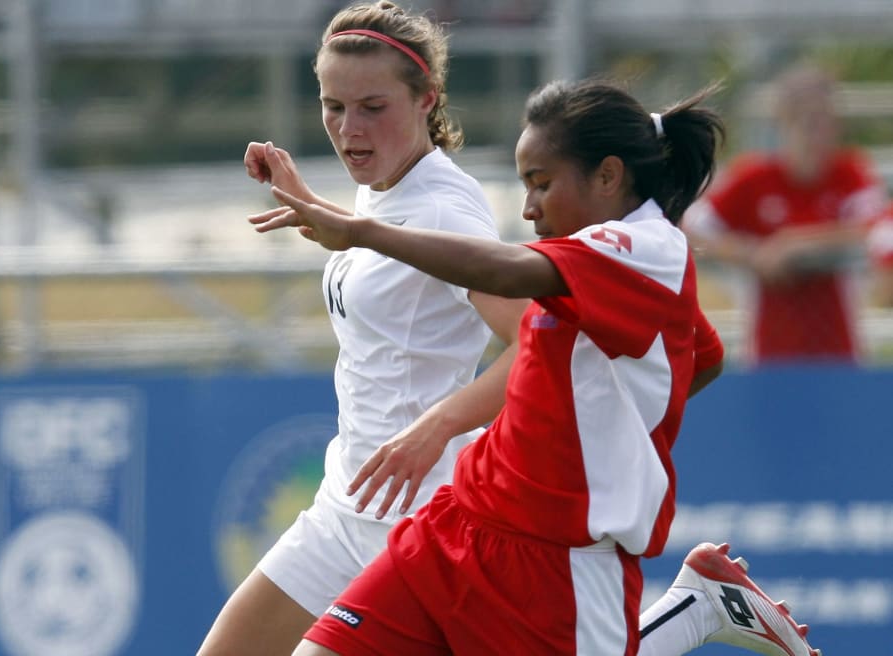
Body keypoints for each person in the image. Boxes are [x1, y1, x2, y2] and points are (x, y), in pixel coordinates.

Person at [203, 3, 820, 655]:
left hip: (464, 517)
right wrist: (329, 218)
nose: (525, 208)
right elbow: (692, 352)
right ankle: (694, 607)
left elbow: (506, 288)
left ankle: (691, 612)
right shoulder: (417, 200)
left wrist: (445, 421)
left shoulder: (608, 240)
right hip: (419, 511)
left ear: (426, 100)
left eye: (371, 107)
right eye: (333, 105)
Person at [681, 62, 888, 366]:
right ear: (784, 122)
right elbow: (692, 226)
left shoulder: (851, 173)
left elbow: (875, 228)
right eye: (806, 121)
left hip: (841, 354)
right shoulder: (754, 179)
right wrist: (752, 254)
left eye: (825, 120)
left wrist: (796, 244)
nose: (817, 133)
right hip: (769, 353)